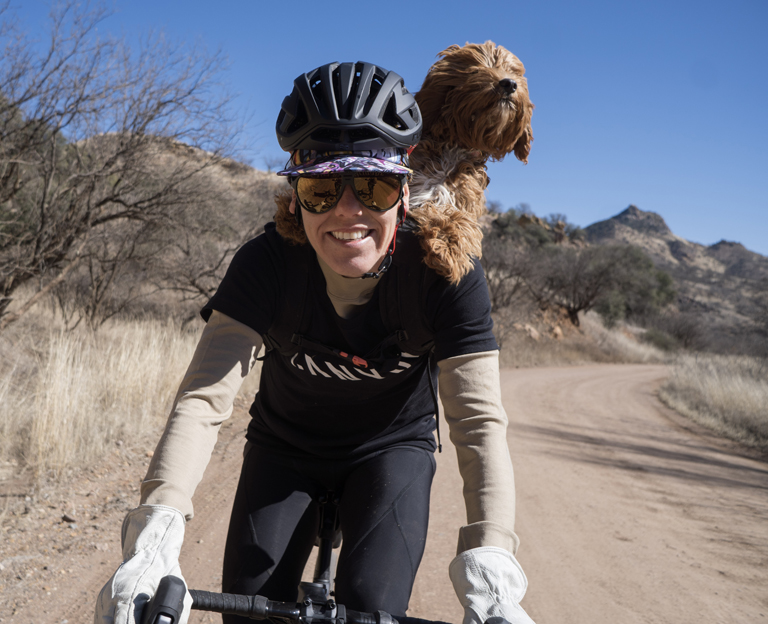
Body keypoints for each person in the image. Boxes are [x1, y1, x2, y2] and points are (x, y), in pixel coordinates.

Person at [95, 61, 536, 624]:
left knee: (373, 608)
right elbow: (203, 399)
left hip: (391, 450)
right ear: (295, 193)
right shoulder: (268, 263)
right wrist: (153, 539)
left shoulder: (446, 272)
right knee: (251, 613)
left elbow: (477, 423)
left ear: (404, 189)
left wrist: (494, 570)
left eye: (373, 185)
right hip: (285, 448)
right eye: (322, 187)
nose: (348, 211)